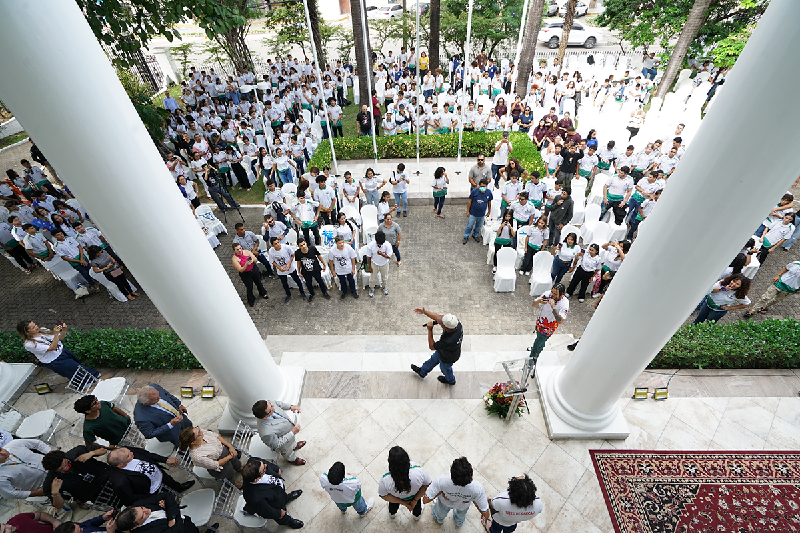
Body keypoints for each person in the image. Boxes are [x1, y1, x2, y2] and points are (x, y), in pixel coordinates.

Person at [107, 447, 192, 507]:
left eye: (129, 451)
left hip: (160, 475)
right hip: (152, 492)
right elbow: (131, 499)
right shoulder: (120, 482)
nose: (132, 453)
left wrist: (165, 460)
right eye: (128, 456)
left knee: (172, 483)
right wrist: (153, 499)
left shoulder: (126, 451)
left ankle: (178, 488)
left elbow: (146, 454)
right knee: (169, 503)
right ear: (120, 464)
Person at [17, 320, 99, 380]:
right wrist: (55, 334)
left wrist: (64, 329)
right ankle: (92, 377)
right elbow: (52, 347)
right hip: (54, 359)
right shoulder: (29, 344)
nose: (36, 327)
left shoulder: (43, 330)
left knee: (76, 365)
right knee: (74, 369)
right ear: (27, 332)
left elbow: (61, 338)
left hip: (62, 351)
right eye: (33, 327)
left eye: (35, 325)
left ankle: (91, 377)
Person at [423, 457, 490, 527]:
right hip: (463, 506)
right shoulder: (477, 488)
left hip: (445, 502)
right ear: (471, 476)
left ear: (451, 476)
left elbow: (425, 500)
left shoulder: (441, 481)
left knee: (440, 513)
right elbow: (486, 514)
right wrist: (472, 498)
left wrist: (440, 492)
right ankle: (458, 523)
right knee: (460, 516)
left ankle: (439, 520)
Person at [241, 457, 304, 529]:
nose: (265, 466)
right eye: (263, 469)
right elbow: (267, 511)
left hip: (277, 491)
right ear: (256, 479)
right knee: (282, 516)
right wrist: (279, 514)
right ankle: (289, 521)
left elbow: (266, 463)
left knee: (282, 495)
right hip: (275, 504)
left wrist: (276, 469)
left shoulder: (253, 462)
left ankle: (287, 498)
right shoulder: (255, 498)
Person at [42, 445, 111, 510]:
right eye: (61, 468)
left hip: (107, 476)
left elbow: (104, 450)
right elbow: (58, 506)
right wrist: (55, 493)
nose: (65, 467)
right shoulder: (51, 481)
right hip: (93, 494)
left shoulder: (77, 452)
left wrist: (91, 453)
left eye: (66, 463)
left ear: (65, 456)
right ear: (54, 470)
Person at [410, 307, 463, 386]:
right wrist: (425, 312)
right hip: (443, 351)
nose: (440, 323)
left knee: (445, 369)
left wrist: (430, 329)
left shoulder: (448, 341)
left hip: (448, 358)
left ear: (446, 328)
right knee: (432, 360)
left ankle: (451, 380)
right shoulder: (456, 323)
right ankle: (422, 372)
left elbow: (432, 346)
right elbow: (437, 317)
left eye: (442, 324)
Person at [115, 492, 206, 533]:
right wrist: (171, 511)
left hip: (185, 521)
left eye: (142, 508)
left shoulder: (138, 504)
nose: (147, 510)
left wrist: (171, 517)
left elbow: (166, 495)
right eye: (143, 515)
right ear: (135, 526)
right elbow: (178, 530)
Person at [252, 400, 305, 466]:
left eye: (271, 405)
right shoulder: (265, 432)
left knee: (292, 442)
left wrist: (290, 407)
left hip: (289, 433)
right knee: (288, 452)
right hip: (284, 445)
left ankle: (294, 446)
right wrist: (292, 432)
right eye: (271, 409)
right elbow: (277, 444)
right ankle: (293, 459)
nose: (273, 407)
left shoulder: (267, 404)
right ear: (265, 417)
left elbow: (277, 403)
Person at [529, 284, 569, 364]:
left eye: (555, 294)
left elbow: (560, 321)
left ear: (561, 294)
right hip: (540, 323)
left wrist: (553, 307)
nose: (552, 295)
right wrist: (539, 301)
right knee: (539, 339)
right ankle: (539, 347)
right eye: (552, 292)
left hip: (548, 329)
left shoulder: (564, 303)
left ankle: (533, 359)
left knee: (538, 343)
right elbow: (534, 305)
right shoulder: (547, 294)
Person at [268, 236, 307, 304]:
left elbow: (292, 254)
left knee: (297, 280)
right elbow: (272, 261)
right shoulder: (271, 251)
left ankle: (302, 292)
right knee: (284, 284)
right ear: (272, 245)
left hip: (290, 268)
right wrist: (279, 268)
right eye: (276, 244)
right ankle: (288, 295)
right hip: (281, 270)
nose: (278, 244)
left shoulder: (286, 247)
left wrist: (289, 263)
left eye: (278, 242)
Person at [232, 242, 269, 307]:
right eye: (237, 249)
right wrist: (246, 265)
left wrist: (252, 260)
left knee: (258, 282)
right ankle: (251, 299)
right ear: (234, 251)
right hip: (245, 274)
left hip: (254, 269)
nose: (240, 250)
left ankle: (262, 293)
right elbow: (240, 270)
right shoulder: (234, 259)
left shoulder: (246, 251)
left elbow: (256, 259)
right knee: (249, 287)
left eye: (240, 248)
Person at [294, 238, 331, 302]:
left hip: (316, 269)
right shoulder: (297, 253)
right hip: (306, 272)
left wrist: (324, 265)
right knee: (308, 284)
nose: (303, 246)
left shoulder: (312, 248)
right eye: (301, 246)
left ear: (306, 243)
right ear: (298, 247)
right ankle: (311, 294)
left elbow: (319, 256)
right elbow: (298, 262)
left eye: (304, 244)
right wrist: (298, 271)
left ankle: (324, 292)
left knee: (320, 282)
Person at [328, 235, 359, 300]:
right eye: (340, 243)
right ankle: (344, 292)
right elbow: (330, 260)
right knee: (342, 281)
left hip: (348, 268)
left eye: (343, 242)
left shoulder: (348, 248)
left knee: (351, 280)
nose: (342, 244)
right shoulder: (332, 250)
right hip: (339, 269)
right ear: (336, 243)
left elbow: (353, 258)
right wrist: (332, 270)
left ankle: (353, 291)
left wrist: (353, 268)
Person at [464, 178, 493, 245]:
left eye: (484, 186)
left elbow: (489, 202)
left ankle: (475, 235)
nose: (482, 188)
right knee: (469, 226)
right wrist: (467, 211)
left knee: (478, 226)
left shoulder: (489, 192)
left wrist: (489, 212)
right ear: (479, 185)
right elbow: (469, 201)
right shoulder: (474, 191)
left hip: (482, 214)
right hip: (473, 213)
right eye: (481, 186)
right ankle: (466, 236)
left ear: (487, 186)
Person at [366, 231, 392, 297]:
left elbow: (389, 256)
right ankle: (371, 288)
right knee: (372, 278)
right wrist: (369, 267)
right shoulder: (371, 245)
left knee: (384, 277)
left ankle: (384, 287)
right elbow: (369, 257)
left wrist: (382, 254)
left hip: (384, 264)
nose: (379, 245)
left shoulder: (387, 245)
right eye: (378, 244)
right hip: (374, 263)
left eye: (381, 244)